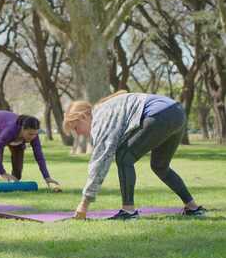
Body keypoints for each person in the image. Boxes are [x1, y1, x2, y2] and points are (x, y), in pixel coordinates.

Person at [63, 90, 206, 220]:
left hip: (161, 114)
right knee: (160, 166)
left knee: (124, 156)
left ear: (84, 116)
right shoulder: (105, 112)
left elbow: (100, 163)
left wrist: (84, 204)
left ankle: (128, 212)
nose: (78, 133)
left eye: (76, 127)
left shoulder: (100, 118)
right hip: (177, 112)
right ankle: (193, 208)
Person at [0, 111, 60, 189]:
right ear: (22, 129)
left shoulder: (34, 136)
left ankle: (15, 181)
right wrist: (3, 173)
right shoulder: (10, 131)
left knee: (19, 153)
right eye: (30, 134)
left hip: (10, 127)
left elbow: (39, 156)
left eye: (35, 134)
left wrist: (47, 177)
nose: (32, 137)